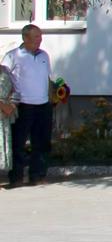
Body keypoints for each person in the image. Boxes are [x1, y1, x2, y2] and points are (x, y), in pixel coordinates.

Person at [5, 24, 53, 187]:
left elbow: (48, 78)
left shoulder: (44, 55)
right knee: (18, 143)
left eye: (40, 37)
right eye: (36, 37)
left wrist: (52, 99)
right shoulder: (12, 56)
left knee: (41, 142)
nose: (39, 40)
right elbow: (3, 80)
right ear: (25, 38)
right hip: (23, 105)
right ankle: (16, 177)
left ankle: (37, 176)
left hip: (43, 104)